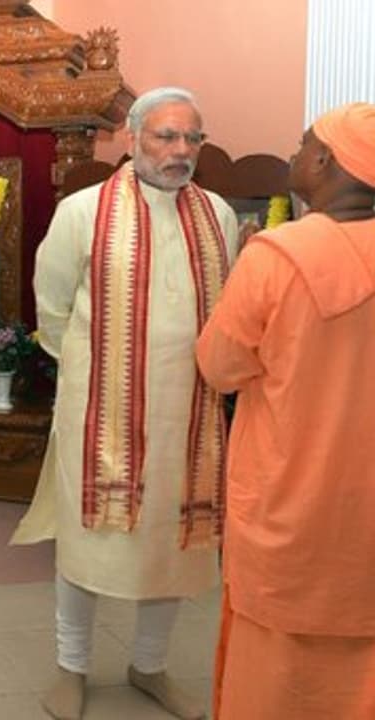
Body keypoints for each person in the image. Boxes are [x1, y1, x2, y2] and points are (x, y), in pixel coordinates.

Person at [10, 87, 241, 720]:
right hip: (100, 411)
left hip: (188, 415)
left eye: (193, 138)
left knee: (174, 542)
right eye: (167, 136)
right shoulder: (84, 210)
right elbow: (51, 305)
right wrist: (97, 372)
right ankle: (71, 667)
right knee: (91, 542)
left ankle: (151, 666)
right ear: (133, 138)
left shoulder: (217, 213)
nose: (181, 151)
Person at [195, 103, 375, 720]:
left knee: (274, 671)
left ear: (325, 160)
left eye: (302, 144)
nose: (295, 154)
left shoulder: (277, 256)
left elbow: (220, 368)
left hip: (292, 506)